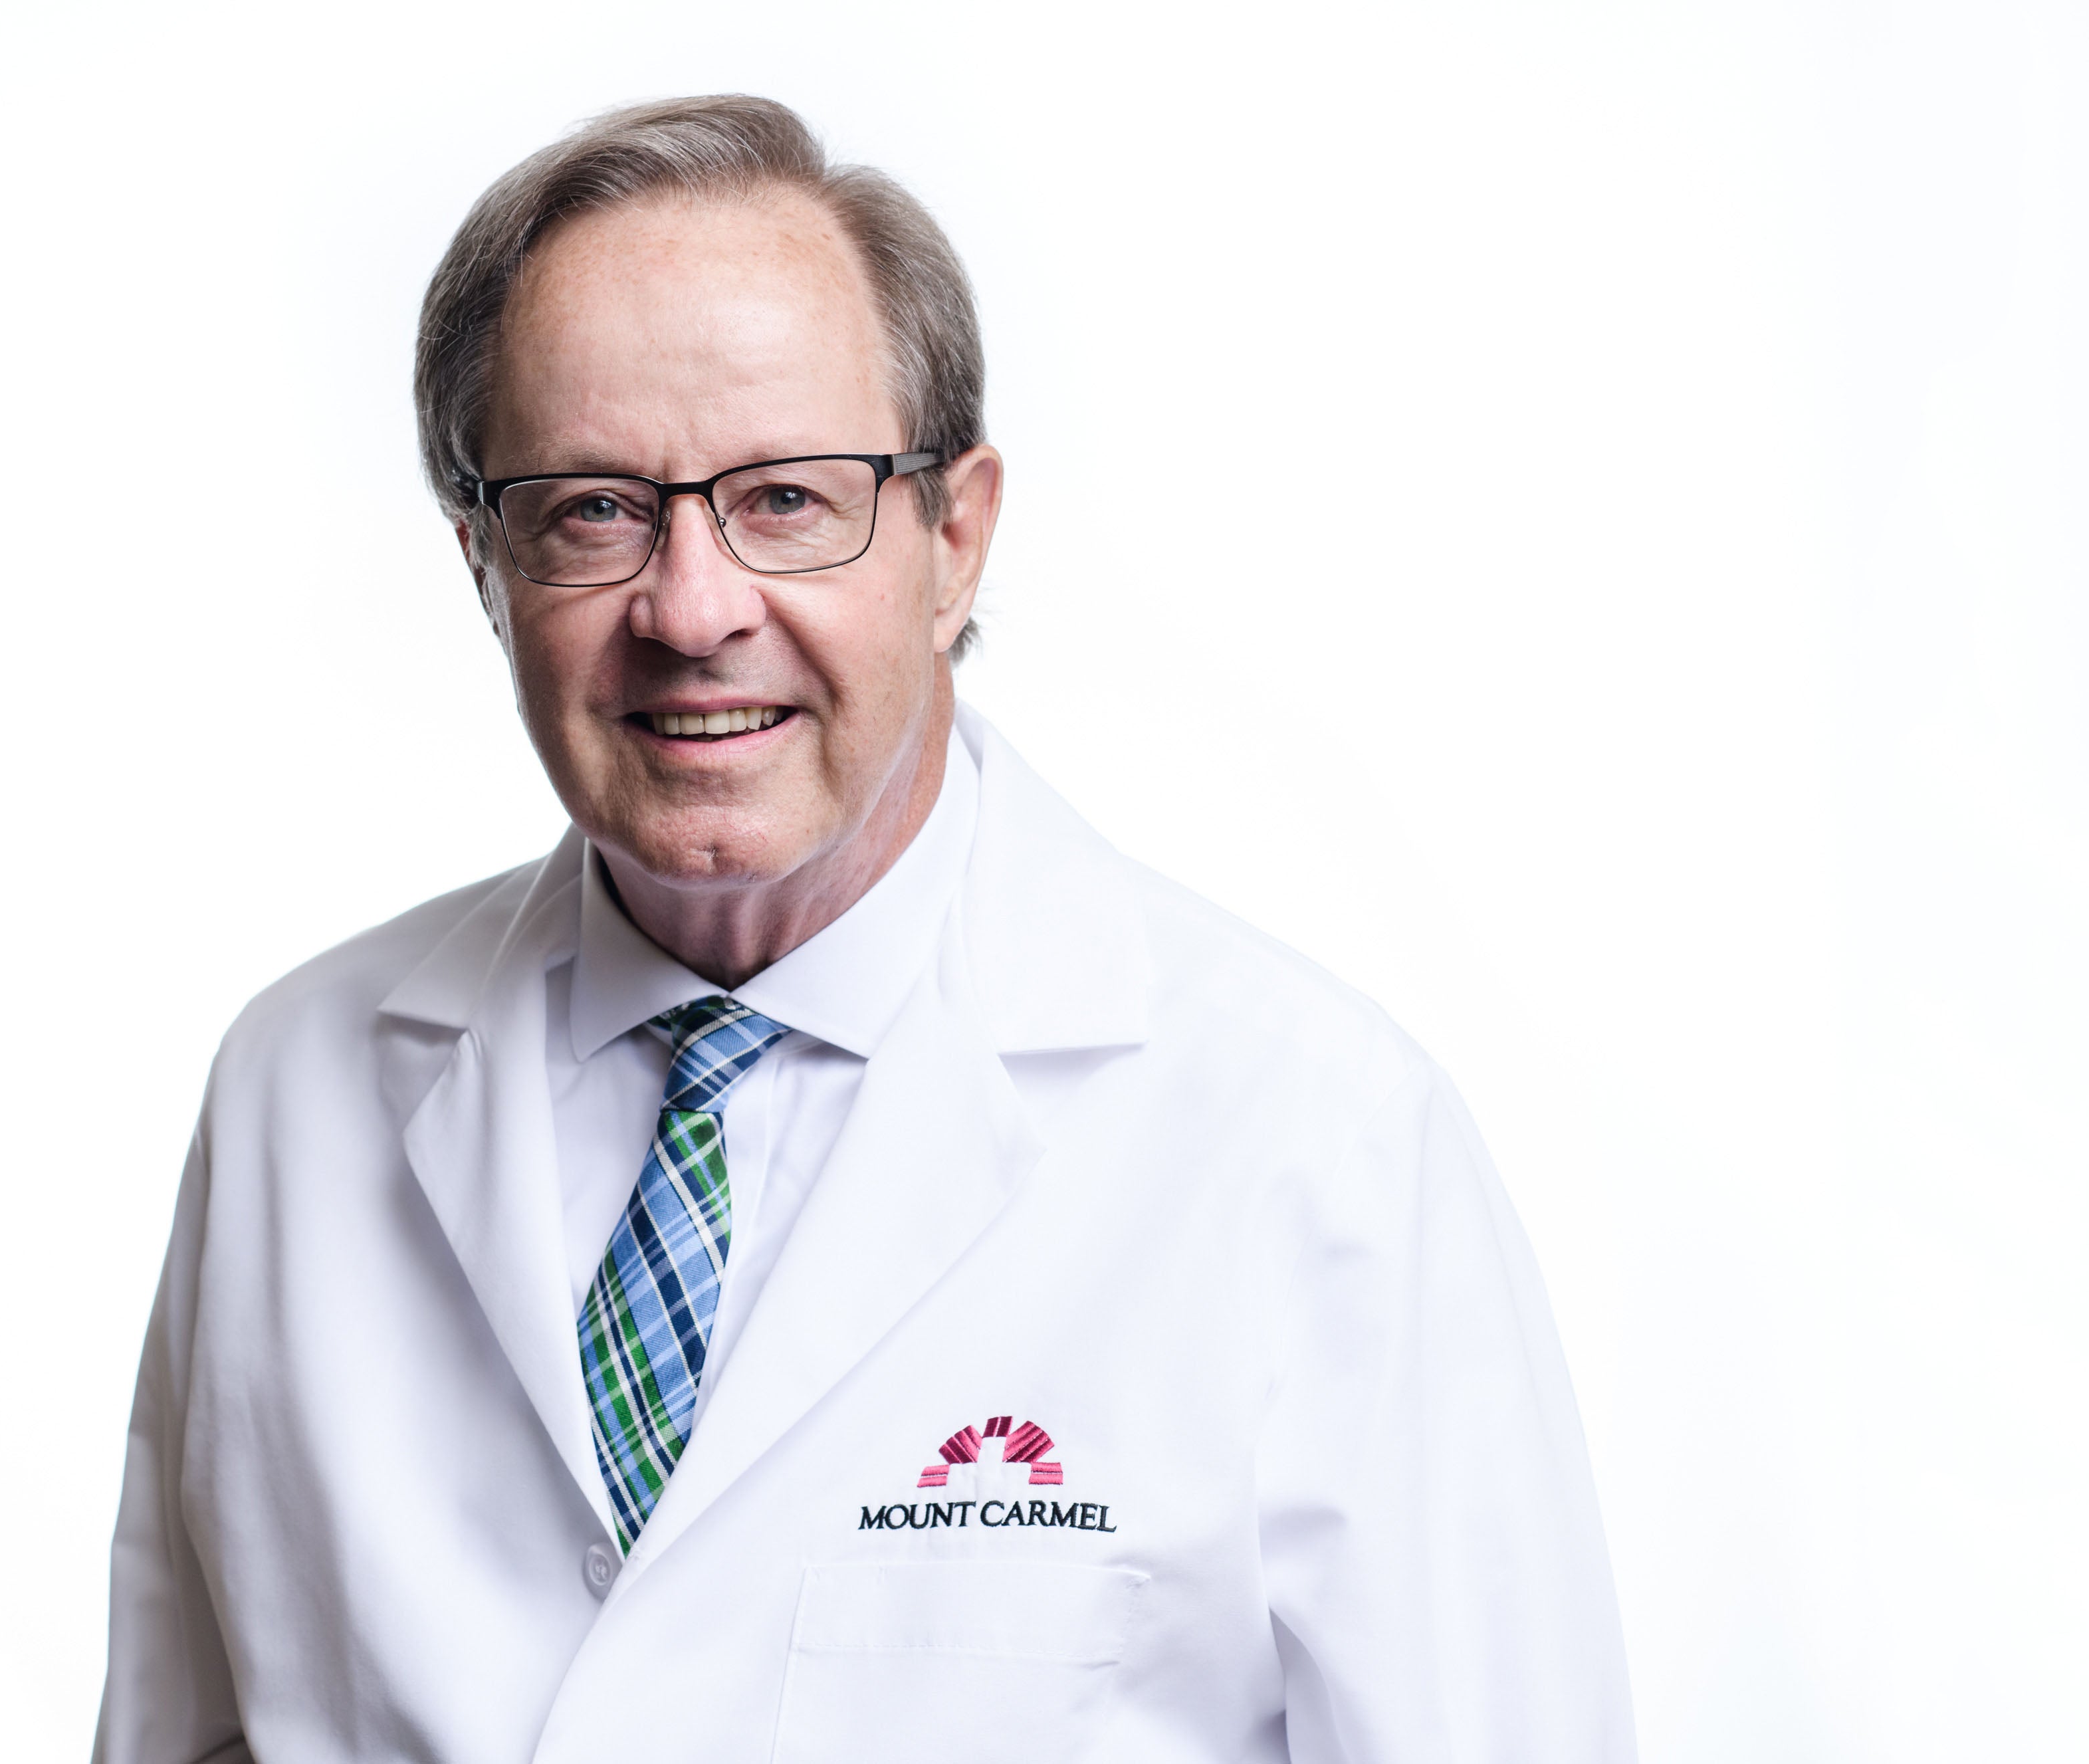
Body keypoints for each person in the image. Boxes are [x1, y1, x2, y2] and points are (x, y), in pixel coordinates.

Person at [92, 94, 1634, 1764]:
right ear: (483, 562)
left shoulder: (1308, 1139)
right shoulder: (293, 1090)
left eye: (785, 499)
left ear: (951, 539)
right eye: (592, 508)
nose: (692, 610)